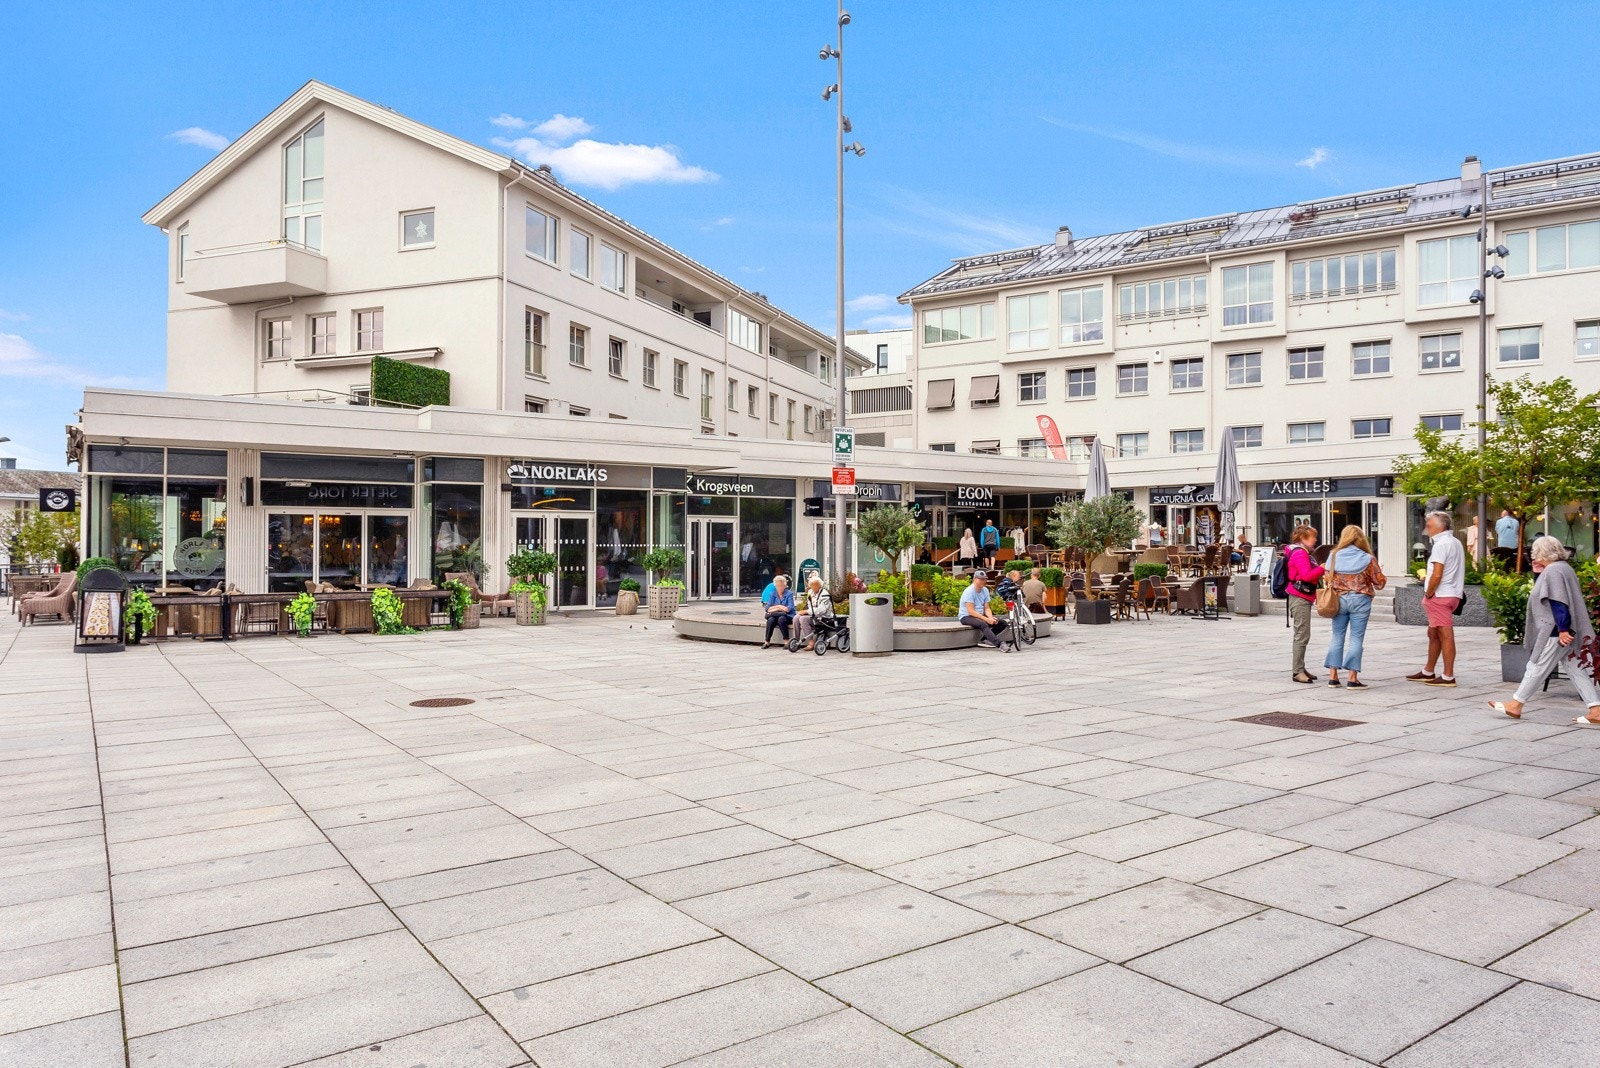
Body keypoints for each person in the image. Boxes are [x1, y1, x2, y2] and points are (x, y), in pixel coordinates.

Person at [1493, 536, 1600, 722]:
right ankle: (1596, 710)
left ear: (1541, 553)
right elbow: (1547, 592)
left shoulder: (1553, 571)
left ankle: (1516, 704)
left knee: (1537, 666)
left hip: (1556, 631)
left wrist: (1563, 629)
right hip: (1563, 628)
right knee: (1574, 668)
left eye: (1534, 552)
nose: (1532, 555)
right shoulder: (1563, 569)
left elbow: (1558, 601)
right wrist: (1537, 573)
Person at [1323, 525, 1387, 688]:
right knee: (1356, 638)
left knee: (1337, 636)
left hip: (1339, 600)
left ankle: (1333, 677)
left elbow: (1326, 579)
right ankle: (1352, 678)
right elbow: (1380, 584)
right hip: (1361, 600)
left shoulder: (1333, 556)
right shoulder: (1368, 558)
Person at [1410, 511, 1464, 687]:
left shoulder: (1441, 544)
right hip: (1452, 593)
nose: (1426, 528)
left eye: (1430, 525)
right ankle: (1428, 670)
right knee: (1433, 633)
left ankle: (1448, 676)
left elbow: (1437, 574)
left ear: (1441, 526)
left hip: (1440, 595)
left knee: (1445, 635)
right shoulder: (1455, 542)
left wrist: (1429, 593)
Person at [1284, 524, 1324, 684]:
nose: (1315, 539)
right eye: (1312, 536)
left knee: (1302, 634)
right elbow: (1306, 576)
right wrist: (1322, 568)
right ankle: (1297, 671)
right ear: (1303, 538)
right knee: (1302, 634)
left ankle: (1300, 666)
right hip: (1299, 597)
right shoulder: (1300, 553)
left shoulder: (1301, 552)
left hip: (1302, 596)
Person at [958, 571, 1009, 650]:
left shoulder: (985, 590)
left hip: (979, 615)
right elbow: (970, 611)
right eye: (980, 579)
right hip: (966, 616)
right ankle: (1000, 644)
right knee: (983, 624)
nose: (983, 581)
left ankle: (985, 639)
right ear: (974, 579)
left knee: (1002, 623)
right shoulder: (969, 591)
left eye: (984, 579)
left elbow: (987, 608)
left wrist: (991, 618)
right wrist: (986, 619)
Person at [794, 573, 835, 652]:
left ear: (820, 585)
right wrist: (807, 611)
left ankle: (811, 642)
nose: (813, 587)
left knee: (803, 619)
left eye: (815, 585)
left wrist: (807, 611)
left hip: (823, 618)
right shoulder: (810, 592)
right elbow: (810, 605)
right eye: (811, 585)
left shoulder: (825, 594)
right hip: (813, 615)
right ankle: (796, 640)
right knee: (796, 617)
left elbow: (821, 610)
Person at [759, 573, 795, 648]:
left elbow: (788, 609)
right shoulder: (773, 594)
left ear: (785, 586)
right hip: (776, 615)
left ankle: (786, 641)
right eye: (778, 586)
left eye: (781, 586)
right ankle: (767, 641)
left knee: (782, 619)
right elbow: (767, 608)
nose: (780, 587)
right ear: (775, 586)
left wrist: (775, 608)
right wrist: (779, 607)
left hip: (788, 616)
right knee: (771, 619)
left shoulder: (789, 594)